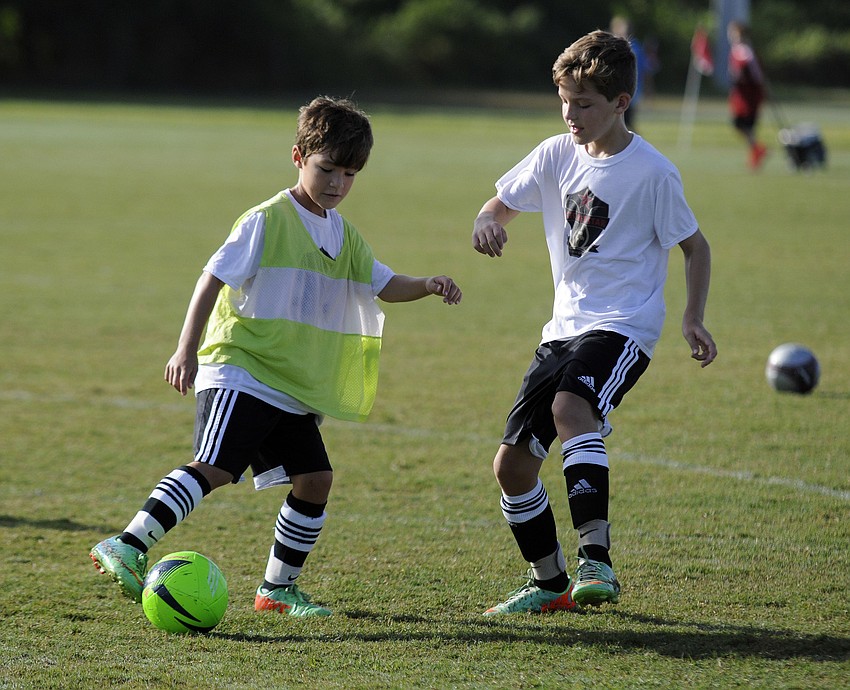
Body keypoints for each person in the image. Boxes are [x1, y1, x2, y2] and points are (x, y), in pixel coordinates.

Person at [90, 96, 462, 617]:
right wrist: (185, 348)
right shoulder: (267, 219)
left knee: (316, 480)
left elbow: (381, 283)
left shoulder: (343, 233)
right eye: (326, 168)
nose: (337, 183)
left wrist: (426, 283)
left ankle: (276, 591)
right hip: (243, 369)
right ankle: (126, 544)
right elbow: (212, 276)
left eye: (349, 174)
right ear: (298, 157)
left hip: (290, 384)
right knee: (216, 467)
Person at [472, 31, 716, 615]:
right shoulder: (556, 153)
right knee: (511, 467)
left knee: (570, 408)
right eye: (565, 99)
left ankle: (595, 560)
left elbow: (696, 247)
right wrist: (486, 223)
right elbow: (499, 203)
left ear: (620, 103)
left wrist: (692, 318)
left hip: (624, 326)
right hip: (562, 327)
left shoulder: (653, 173)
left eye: (585, 103)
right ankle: (550, 583)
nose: (571, 113)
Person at [727, 21, 768, 169]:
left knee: (744, 124)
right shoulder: (739, 50)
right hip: (742, 94)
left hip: (748, 95)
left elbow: (749, 71)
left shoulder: (744, 51)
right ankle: (756, 150)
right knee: (742, 125)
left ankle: (757, 151)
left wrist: (738, 78)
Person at [609, 16, 656, 132]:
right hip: (616, 88)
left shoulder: (636, 47)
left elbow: (645, 70)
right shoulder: (614, 46)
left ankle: (634, 143)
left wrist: (648, 87)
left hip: (632, 89)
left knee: (625, 119)